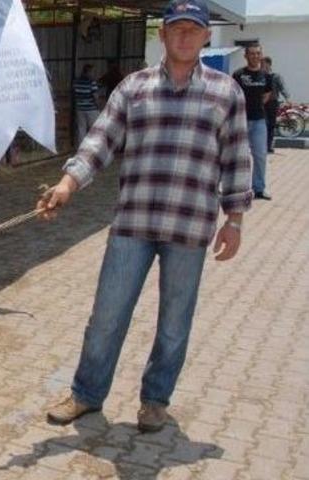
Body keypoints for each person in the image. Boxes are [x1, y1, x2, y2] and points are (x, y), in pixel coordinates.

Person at [39, 0, 252, 433]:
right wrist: (67, 184)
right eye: (177, 29)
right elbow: (99, 141)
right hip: (133, 225)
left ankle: (155, 401)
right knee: (106, 315)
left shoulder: (225, 92)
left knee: (174, 323)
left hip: (189, 229)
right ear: (163, 35)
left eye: (194, 29)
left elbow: (237, 158)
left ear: (207, 36)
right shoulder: (133, 88)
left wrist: (235, 220)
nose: (185, 36)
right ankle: (86, 394)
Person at [233, 44, 272, 200]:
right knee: (238, 156)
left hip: (259, 121)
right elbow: (233, 94)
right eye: (252, 53)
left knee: (260, 155)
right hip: (240, 121)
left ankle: (259, 189)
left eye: (258, 53)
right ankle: (236, 188)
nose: (255, 56)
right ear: (246, 56)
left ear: (261, 55)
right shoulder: (238, 74)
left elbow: (266, 95)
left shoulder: (266, 76)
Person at [263, 56, 289, 154]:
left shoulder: (275, 76)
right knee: (263, 125)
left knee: (271, 125)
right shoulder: (259, 76)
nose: (262, 66)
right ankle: (262, 146)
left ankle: (269, 146)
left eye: (264, 63)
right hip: (262, 103)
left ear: (269, 64)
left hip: (273, 103)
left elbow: (282, 88)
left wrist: (287, 98)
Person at [73, 64, 100, 147]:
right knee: (95, 128)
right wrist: (98, 106)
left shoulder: (76, 82)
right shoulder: (92, 82)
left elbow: (74, 94)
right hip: (91, 108)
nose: (93, 74)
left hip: (80, 108)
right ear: (88, 72)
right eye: (92, 72)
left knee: (81, 129)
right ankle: (94, 146)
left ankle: (81, 147)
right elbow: (95, 96)